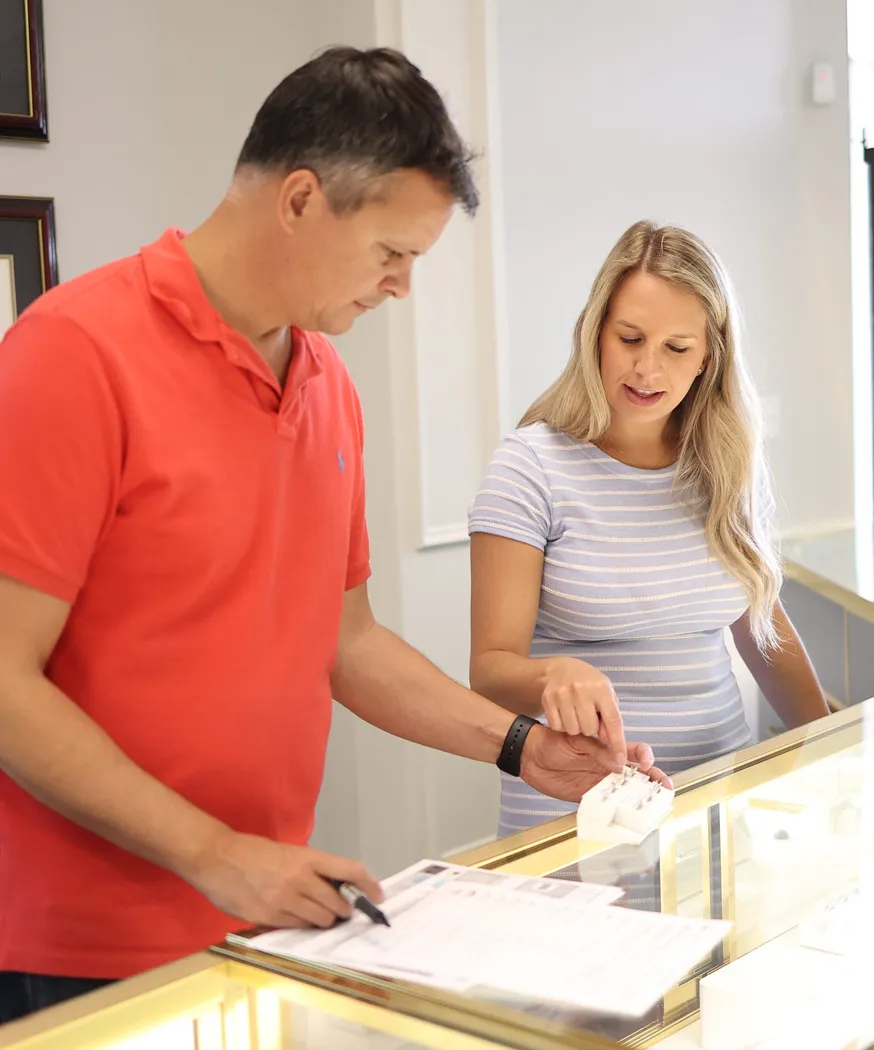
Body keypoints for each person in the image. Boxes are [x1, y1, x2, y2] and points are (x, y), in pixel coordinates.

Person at [0, 49, 671, 1024]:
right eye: (391, 253)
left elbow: (344, 643)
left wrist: (519, 745)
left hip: (272, 919)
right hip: (90, 948)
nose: (401, 287)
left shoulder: (327, 385)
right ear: (301, 199)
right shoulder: (73, 354)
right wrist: (214, 854)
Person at [468, 220, 830, 839]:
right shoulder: (531, 467)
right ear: (595, 333)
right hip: (577, 814)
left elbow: (762, 628)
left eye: (676, 347)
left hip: (717, 802)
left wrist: (832, 755)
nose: (646, 368)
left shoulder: (729, 466)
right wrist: (552, 675)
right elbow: (490, 671)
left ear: (709, 357)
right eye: (630, 338)